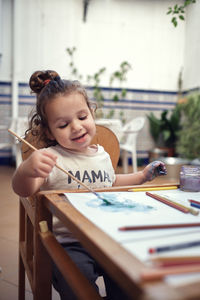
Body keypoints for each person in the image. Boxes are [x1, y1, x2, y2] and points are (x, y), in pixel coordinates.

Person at [12, 70, 167, 300]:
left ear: (92, 114)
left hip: (106, 236)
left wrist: (142, 176)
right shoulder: (49, 157)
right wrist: (26, 170)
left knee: (128, 276)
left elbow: (111, 181)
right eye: (63, 124)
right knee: (77, 282)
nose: (76, 127)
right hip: (68, 243)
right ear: (49, 132)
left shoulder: (101, 154)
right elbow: (24, 190)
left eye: (82, 117)